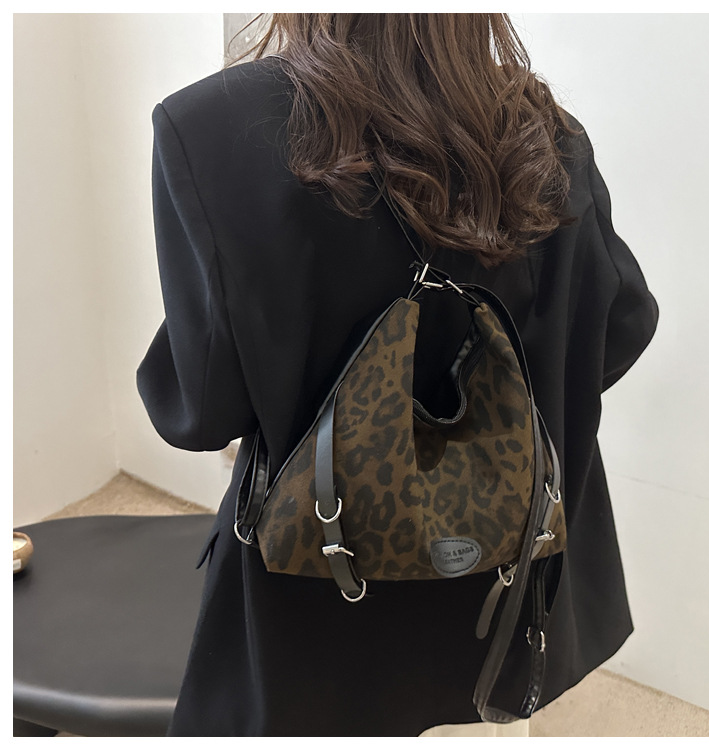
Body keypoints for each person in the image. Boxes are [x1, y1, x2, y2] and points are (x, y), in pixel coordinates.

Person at [137, 13, 658, 737]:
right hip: (501, 608)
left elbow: (200, 412)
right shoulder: (545, 134)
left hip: (317, 614)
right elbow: (622, 328)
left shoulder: (210, 128)